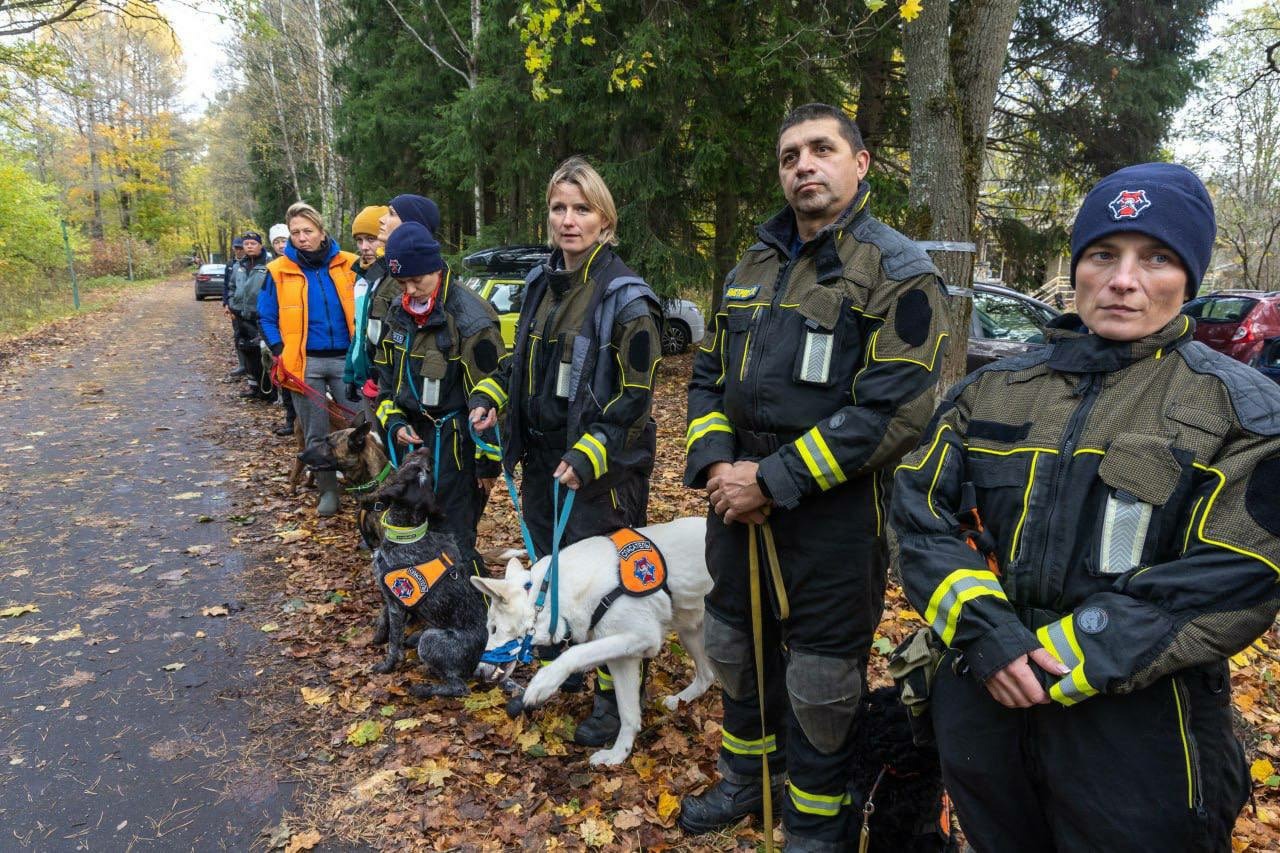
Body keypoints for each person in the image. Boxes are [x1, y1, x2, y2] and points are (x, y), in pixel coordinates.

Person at [891, 162, 1280, 852]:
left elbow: (1237, 572)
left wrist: (1068, 651)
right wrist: (986, 634)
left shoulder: (1245, 412)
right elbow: (921, 515)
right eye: (1103, 254)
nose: (1123, 279)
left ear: (1189, 276)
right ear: (1078, 267)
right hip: (987, 708)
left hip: (1140, 734)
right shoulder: (992, 390)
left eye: (1156, 257)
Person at [681, 103, 950, 850]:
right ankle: (747, 780)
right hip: (733, 501)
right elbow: (707, 376)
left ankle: (815, 822)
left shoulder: (900, 272)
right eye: (790, 153)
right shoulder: (752, 264)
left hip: (838, 515)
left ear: (858, 162)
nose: (803, 164)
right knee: (733, 647)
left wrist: (771, 478)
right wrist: (715, 465)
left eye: (821, 149)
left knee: (822, 685)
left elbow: (894, 411)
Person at [469, 156, 662, 748]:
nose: (568, 220)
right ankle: (572, 664)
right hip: (540, 461)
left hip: (602, 471)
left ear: (606, 220)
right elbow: (518, 364)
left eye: (582, 209)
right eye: (559, 208)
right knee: (556, 580)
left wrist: (589, 454)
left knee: (608, 589)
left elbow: (637, 399)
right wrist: (492, 396)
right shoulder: (538, 284)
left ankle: (616, 703)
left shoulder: (628, 299)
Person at [371, 221, 504, 556]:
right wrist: (395, 422)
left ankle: (466, 601)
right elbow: (386, 382)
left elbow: (493, 392)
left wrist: (488, 462)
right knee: (414, 533)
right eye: (402, 282)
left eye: (418, 280)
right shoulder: (397, 313)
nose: (411, 289)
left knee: (454, 538)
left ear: (436, 268)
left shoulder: (472, 318)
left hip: (456, 449)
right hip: (411, 448)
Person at [258, 202, 359, 517]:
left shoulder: (349, 264)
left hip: (348, 360)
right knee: (315, 432)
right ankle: (328, 491)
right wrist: (278, 351)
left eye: (308, 231)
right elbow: (266, 315)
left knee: (359, 426)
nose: (302, 238)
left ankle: (363, 486)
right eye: (296, 233)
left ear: (321, 231)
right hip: (305, 364)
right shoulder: (278, 270)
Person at [344, 205, 389, 421]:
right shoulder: (362, 279)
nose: (364, 247)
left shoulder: (396, 282)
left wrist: (380, 377)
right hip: (366, 380)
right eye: (359, 240)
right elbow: (359, 332)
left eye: (371, 239)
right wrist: (351, 374)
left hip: (384, 382)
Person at [228, 231, 273, 400]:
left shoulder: (269, 264)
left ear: (260, 245)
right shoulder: (239, 265)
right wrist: (232, 304)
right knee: (246, 353)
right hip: (241, 316)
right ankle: (253, 388)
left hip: (260, 317)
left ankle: (268, 390)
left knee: (263, 354)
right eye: (246, 244)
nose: (249, 247)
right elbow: (231, 286)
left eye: (253, 243)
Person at [266, 222, 297, 435]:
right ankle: (291, 420)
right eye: (276, 242)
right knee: (286, 383)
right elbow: (266, 308)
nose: (281, 245)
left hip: (300, 339)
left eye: (284, 240)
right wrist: (275, 343)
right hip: (281, 337)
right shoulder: (272, 269)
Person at [223, 236, 247, 379]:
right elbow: (227, 285)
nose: (238, 251)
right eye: (236, 248)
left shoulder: (254, 263)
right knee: (238, 335)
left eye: (240, 248)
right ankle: (242, 365)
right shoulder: (231, 265)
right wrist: (226, 303)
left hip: (250, 307)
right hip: (235, 306)